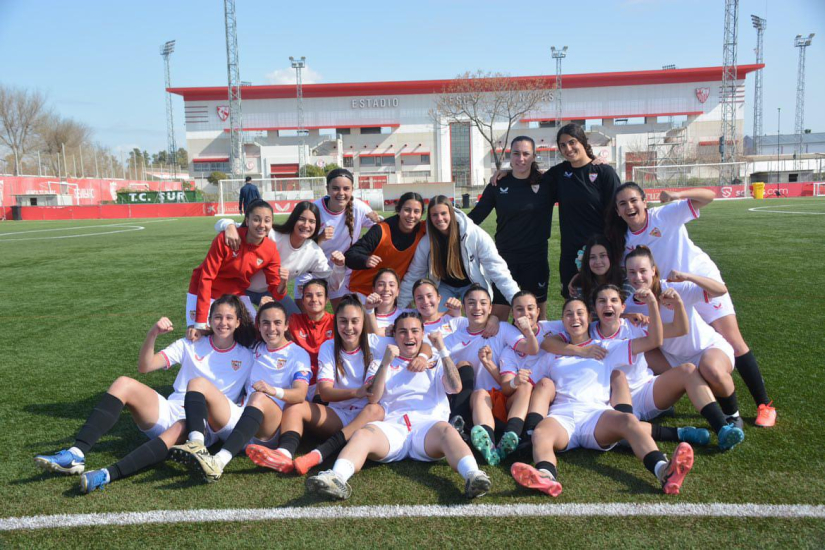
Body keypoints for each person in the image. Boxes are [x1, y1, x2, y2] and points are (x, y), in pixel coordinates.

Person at [34, 295, 256, 492]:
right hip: (171, 407)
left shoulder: (248, 355)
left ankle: (108, 473)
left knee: (181, 425)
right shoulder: (191, 343)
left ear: (238, 322)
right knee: (123, 383)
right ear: (209, 319)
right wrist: (153, 333)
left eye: (229, 318)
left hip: (201, 424)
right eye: (217, 317)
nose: (223, 323)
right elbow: (145, 366)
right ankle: (76, 453)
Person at [607, 183, 776, 427]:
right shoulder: (622, 242)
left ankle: (764, 405)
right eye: (623, 203)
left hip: (696, 280)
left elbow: (709, 196)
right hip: (666, 292)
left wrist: (677, 194)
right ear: (617, 211)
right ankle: (666, 395)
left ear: (644, 201)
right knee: (656, 343)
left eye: (634, 200)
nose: (630, 207)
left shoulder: (664, 215)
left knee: (732, 339)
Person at [511, 292, 695, 497]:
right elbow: (533, 384)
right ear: (562, 321)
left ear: (590, 318)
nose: (575, 318)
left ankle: (663, 470)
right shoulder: (553, 353)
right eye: (569, 315)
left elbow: (654, 340)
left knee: (628, 421)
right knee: (541, 433)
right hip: (563, 415)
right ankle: (546, 476)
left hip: (596, 415)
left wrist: (651, 302)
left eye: (580, 313)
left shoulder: (607, 347)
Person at [305, 312, 492, 500]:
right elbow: (373, 398)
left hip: (428, 428)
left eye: (414, 331)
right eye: (403, 332)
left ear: (422, 334)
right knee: (362, 433)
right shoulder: (380, 363)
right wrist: (386, 363)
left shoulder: (434, 361)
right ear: (394, 335)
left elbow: (456, 387)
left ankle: (473, 476)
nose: (409, 337)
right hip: (392, 428)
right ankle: (337, 478)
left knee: (447, 430)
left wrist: (442, 349)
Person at [169, 301, 312, 482]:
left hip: (269, 429)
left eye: (277, 323)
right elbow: (226, 335)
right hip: (241, 420)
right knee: (198, 383)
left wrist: (272, 391)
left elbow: (300, 395)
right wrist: (203, 331)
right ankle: (195, 444)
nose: (271, 328)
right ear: (259, 326)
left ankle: (219, 461)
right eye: (266, 323)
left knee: (259, 397)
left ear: (286, 325)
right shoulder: (254, 348)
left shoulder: (298, 354)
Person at [590, 284, 744, 450]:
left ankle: (722, 428)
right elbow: (559, 333)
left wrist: (675, 304)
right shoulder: (587, 332)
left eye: (614, 300)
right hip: (611, 400)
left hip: (645, 391)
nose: (608, 305)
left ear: (622, 306)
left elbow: (679, 329)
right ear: (594, 307)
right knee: (613, 436)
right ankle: (682, 433)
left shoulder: (635, 325)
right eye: (602, 301)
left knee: (688, 370)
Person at [245, 295, 386, 476]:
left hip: (368, 418)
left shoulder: (377, 344)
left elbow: (416, 342)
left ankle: (317, 455)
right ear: (336, 324)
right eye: (343, 321)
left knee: (375, 409)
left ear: (363, 322)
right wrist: (356, 392)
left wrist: (423, 356)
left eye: (354, 321)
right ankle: (284, 454)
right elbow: (326, 393)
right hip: (339, 415)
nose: (349, 327)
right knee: (295, 405)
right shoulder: (329, 347)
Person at [623, 246, 746, 434]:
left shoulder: (673, 289)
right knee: (639, 351)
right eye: (632, 272)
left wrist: (688, 277)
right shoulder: (631, 303)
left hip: (706, 348)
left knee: (712, 370)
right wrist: (626, 316)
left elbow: (720, 290)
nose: (637, 277)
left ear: (653, 270)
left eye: (643, 271)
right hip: (672, 357)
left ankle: (732, 414)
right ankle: (661, 402)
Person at [440, 284, 539, 465]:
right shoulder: (454, 338)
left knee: (524, 385)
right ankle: (491, 446)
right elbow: (431, 355)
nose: (477, 308)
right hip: (476, 404)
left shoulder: (502, 329)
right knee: (478, 391)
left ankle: (512, 434)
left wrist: (528, 332)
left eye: (483, 303)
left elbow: (531, 349)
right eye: (471, 303)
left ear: (490, 308)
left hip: (503, 397)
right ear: (463, 306)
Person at [469, 136, 555, 320]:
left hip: (536, 260)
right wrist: (447, 230)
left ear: (533, 156)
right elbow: (475, 217)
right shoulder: (497, 184)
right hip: (504, 260)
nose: (521, 158)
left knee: (537, 319)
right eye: (516, 153)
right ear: (510, 155)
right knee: (497, 318)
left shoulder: (547, 183)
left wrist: (594, 162)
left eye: (526, 154)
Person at [216, 200, 345, 311]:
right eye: (301, 219)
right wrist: (229, 226)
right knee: (240, 323)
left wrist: (339, 267)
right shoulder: (271, 234)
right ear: (293, 219)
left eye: (312, 221)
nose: (306, 225)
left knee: (294, 320)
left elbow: (332, 285)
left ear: (317, 226)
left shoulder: (314, 252)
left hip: (273, 292)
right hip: (240, 288)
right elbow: (221, 223)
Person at [399, 195, 519, 311]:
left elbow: (497, 268)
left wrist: (516, 300)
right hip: (443, 286)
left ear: (451, 213)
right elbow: (414, 274)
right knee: (437, 320)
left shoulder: (474, 234)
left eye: (443, 213)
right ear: (429, 218)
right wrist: (399, 308)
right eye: (434, 215)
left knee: (478, 316)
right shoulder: (427, 242)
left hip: (471, 284)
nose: (439, 218)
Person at [186, 199, 283, 338]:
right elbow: (206, 278)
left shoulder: (270, 249)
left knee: (254, 332)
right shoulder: (226, 238)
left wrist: (283, 283)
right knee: (198, 334)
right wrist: (200, 321)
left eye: (267, 220)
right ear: (247, 221)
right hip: (202, 289)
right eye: (256, 219)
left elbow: (276, 289)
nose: (262, 225)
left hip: (235, 291)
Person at [295, 168, 381, 309]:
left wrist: (377, 220)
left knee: (345, 313)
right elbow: (297, 244)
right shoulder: (314, 209)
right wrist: (320, 238)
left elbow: (381, 230)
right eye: (335, 188)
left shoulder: (359, 207)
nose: (341, 193)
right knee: (304, 318)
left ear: (352, 189)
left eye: (346, 189)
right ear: (327, 189)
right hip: (310, 271)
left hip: (341, 272)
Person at [345, 192, 426, 299]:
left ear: (421, 214)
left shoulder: (422, 229)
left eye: (416, 211)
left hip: (391, 294)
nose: (411, 215)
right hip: (363, 291)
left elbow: (446, 220)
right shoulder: (380, 230)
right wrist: (365, 260)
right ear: (399, 210)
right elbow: (350, 255)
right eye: (407, 210)